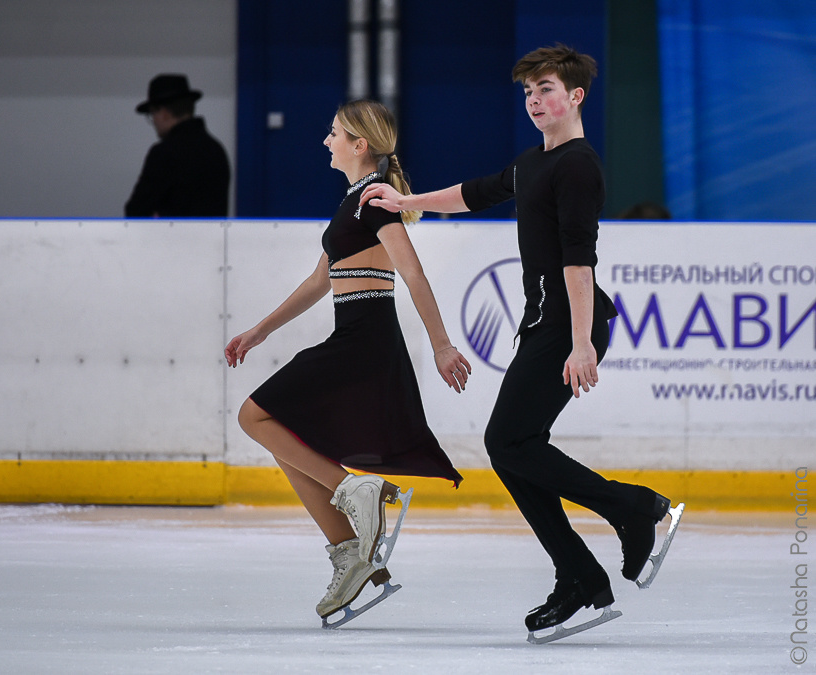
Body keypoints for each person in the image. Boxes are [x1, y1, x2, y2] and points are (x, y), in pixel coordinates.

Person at [360, 45, 682, 639]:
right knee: (513, 446)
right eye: (528, 93)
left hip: (565, 328)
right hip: (544, 327)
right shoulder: (536, 161)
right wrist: (407, 203)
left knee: (506, 441)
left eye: (546, 90)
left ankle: (632, 512)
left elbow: (579, 261)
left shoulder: (578, 165)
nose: (535, 101)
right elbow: (477, 191)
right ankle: (585, 568)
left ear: (576, 96)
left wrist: (581, 343)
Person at [224, 100, 470, 623]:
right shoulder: (352, 203)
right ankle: (350, 554)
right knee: (287, 439)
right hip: (360, 337)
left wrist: (443, 344)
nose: (325, 141)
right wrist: (258, 331)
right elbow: (319, 282)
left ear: (360, 145)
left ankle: (352, 489)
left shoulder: (374, 203)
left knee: (254, 416)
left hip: (366, 341)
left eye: (333, 133)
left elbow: (414, 273)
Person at [125, 74, 231, 218]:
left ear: (164, 113)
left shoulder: (164, 153)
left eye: (152, 114)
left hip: (171, 240)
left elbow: (136, 211)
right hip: (213, 240)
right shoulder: (216, 150)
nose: (154, 122)